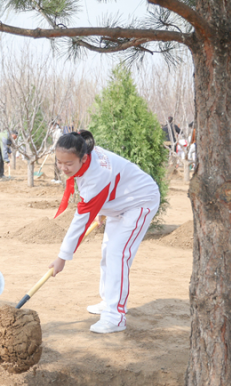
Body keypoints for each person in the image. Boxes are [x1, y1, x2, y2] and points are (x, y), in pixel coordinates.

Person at [49, 130, 160, 334]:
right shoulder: (87, 156)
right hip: (119, 204)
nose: (63, 168)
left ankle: (115, 316)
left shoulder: (97, 173)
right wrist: (100, 210)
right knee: (108, 251)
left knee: (118, 254)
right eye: (59, 162)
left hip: (140, 201)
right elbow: (101, 191)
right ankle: (108, 301)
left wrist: (62, 257)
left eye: (68, 164)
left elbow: (80, 221)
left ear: (83, 158)